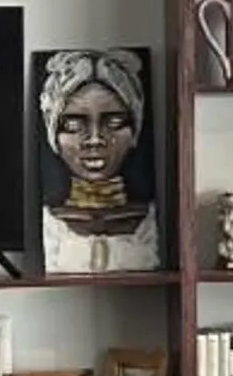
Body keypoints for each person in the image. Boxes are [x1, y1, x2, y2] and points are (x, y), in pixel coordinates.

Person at [36, 47, 159, 272]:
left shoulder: (148, 226)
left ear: (135, 132)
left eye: (113, 123)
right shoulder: (50, 226)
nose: (94, 139)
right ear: (53, 136)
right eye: (73, 125)